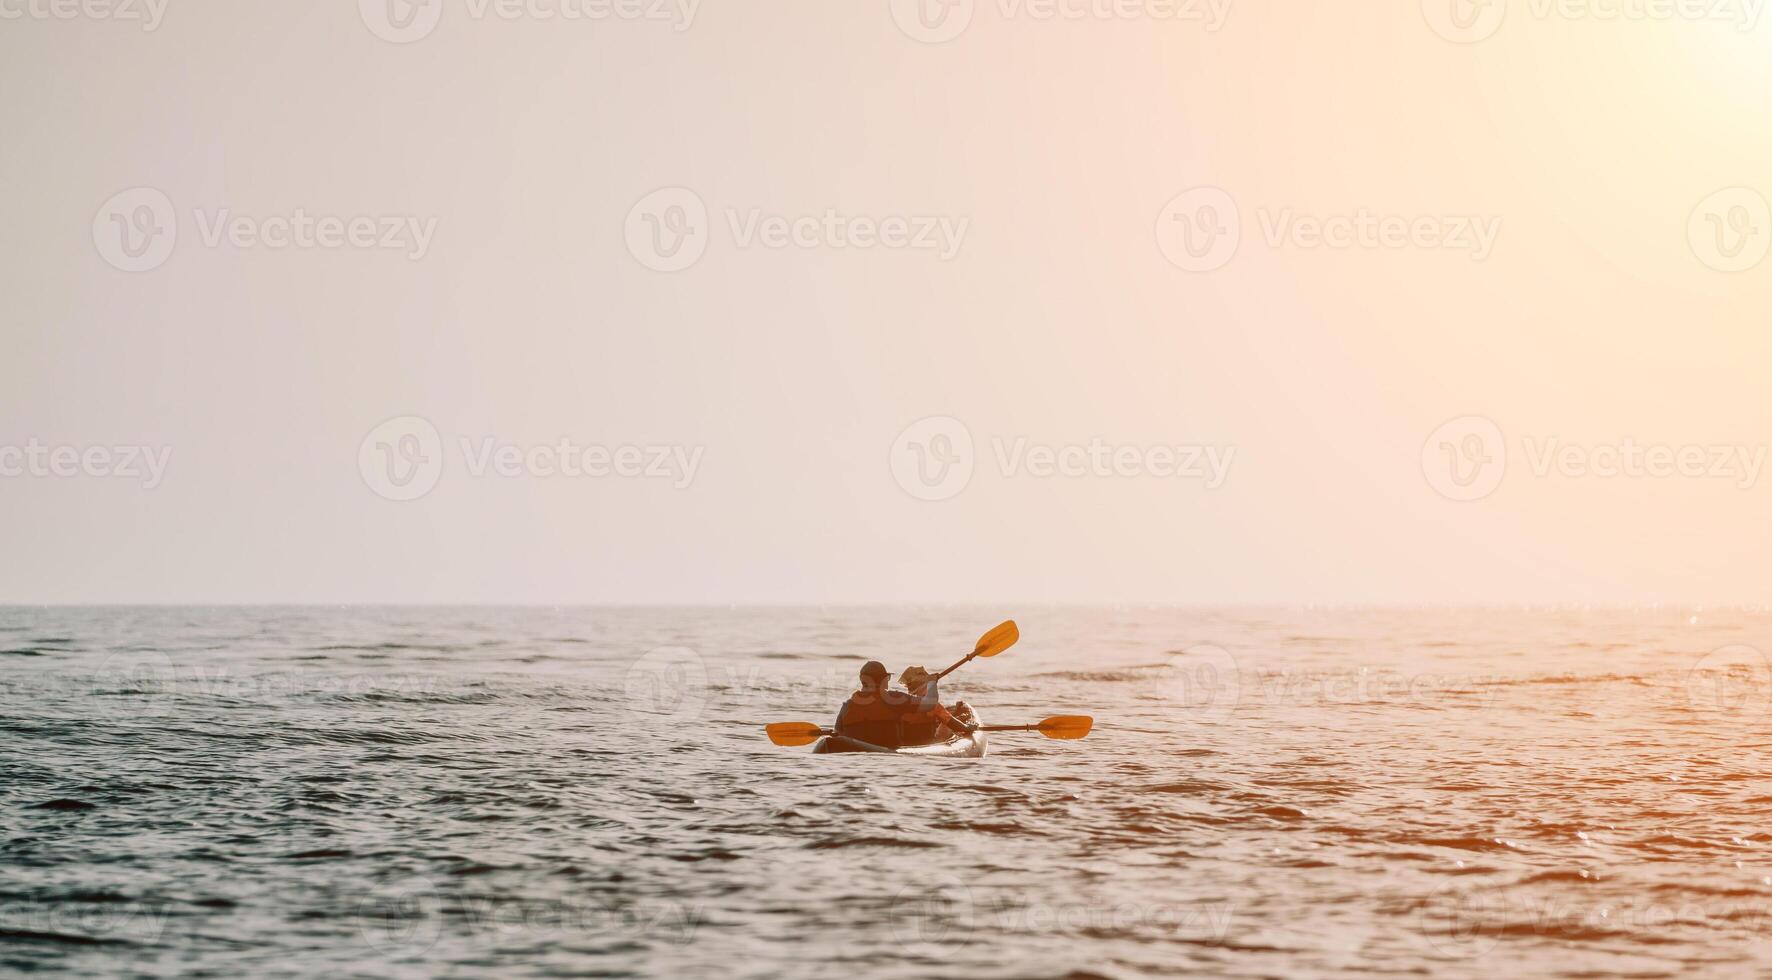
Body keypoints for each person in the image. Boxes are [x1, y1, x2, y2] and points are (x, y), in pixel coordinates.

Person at [833, 661, 912, 747]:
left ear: (861, 679)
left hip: (854, 752)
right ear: (882, 679)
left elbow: (837, 733)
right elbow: (927, 704)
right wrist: (929, 683)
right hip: (885, 753)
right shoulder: (894, 698)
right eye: (887, 677)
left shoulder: (847, 705)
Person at [896, 665, 975, 745]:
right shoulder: (933, 706)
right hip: (925, 744)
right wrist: (967, 727)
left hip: (904, 742)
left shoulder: (904, 702)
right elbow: (953, 724)